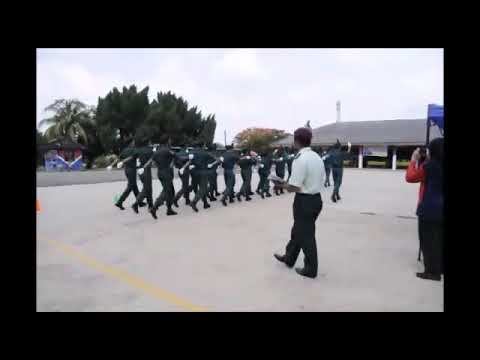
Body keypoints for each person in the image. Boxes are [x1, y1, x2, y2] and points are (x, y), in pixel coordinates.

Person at [273, 127, 325, 279]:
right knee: (298, 231)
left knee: (306, 235)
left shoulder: (300, 159)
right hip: (315, 199)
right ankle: (289, 257)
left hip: (305, 201)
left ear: (296, 141)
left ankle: (311, 269)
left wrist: (280, 184)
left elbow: (294, 187)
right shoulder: (316, 156)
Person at [406, 138, 444, 281]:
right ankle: (440, 268)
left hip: (429, 209)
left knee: (428, 241)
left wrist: (413, 160)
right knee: (439, 239)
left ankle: (432, 272)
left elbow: (410, 177)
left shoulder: (429, 166)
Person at [149, 144, 178, 219]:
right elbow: (176, 156)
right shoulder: (167, 150)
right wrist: (171, 163)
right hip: (167, 173)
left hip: (160, 172)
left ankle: (169, 209)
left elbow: (153, 163)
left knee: (171, 191)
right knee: (166, 191)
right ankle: (154, 208)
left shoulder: (156, 152)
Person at [114, 138, 142, 210]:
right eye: (133, 141)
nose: (134, 143)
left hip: (126, 169)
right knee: (130, 186)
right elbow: (135, 156)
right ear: (131, 142)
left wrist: (113, 164)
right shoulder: (134, 149)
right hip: (132, 169)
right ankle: (120, 201)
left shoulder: (124, 150)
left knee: (134, 186)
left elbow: (118, 158)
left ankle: (139, 202)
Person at [131, 136, 154, 213]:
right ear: (148, 142)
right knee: (147, 188)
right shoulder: (150, 150)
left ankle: (150, 205)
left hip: (139, 170)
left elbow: (133, 158)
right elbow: (152, 160)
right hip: (146, 170)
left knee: (148, 188)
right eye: (150, 142)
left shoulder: (138, 150)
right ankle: (136, 203)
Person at [189, 145, 211, 212]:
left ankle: (205, 203)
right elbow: (213, 158)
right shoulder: (204, 152)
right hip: (203, 172)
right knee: (203, 188)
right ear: (202, 145)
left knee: (201, 188)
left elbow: (188, 160)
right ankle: (194, 202)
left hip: (194, 172)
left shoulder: (191, 152)